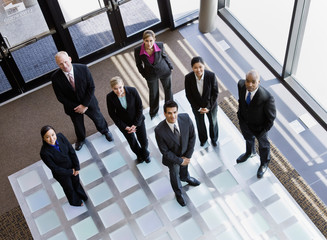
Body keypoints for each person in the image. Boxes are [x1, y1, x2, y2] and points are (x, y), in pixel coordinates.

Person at [51, 51, 113, 151]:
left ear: (70, 59)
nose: (65, 65)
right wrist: (77, 107)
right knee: (78, 125)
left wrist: (84, 105)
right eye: (61, 64)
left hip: (88, 102)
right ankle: (81, 139)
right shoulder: (55, 78)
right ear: (57, 64)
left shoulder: (83, 68)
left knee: (98, 118)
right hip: (73, 107)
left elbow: (91, 87)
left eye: (66, 62)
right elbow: (60, 97)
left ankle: (105, 131)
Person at [155, 100, 200, 206]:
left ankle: (186, 178)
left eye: (175, 112)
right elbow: (164, 151)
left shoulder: (185, 118)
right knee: (175, 175)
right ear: (165, 113)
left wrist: (187, 156)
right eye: (169, 113)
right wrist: (180, 161)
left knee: (185, 168)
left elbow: (192, 136)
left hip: (185, 154)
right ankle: (178, 193)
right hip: (173, 159)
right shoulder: (159, 130)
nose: (173, 116)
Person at [236, 70, 276, 178]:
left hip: (259, 127)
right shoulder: (241, 84)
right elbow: (241, 101)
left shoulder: (266, 97)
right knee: (248, 138)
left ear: (259, 82)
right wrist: (240, 116)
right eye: (247, 81)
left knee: (263, 146)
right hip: (245, 122)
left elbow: (271, 118)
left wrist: (263, 130)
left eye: (253, 82)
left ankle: (264, 164)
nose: (250, 84)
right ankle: (250, 152)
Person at [40, 125, 88, 206]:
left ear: (55, 133)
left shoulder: (61, 137)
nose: (52, 139)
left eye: (53, 135)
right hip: (61, 174)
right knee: (69, 187)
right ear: (43, 138)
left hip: (72, 167)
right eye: (47, 137)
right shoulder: (44, 153)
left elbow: (71, 151)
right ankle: (75, 201)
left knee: (76, 182)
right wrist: (70, 172)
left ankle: (82, 196)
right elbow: (55, 168)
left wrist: (76, 167)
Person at [106, 76, 150, 163]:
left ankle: (145, 154)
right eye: (115, 89)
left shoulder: (132, 91)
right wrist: (125, 127)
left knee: (143, 140)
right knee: (132, 142)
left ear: (123, 84)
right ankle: (139, 155)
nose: (118, 91)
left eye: (120, 87)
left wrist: (135, 124)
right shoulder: (110, 97)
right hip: (124, 124)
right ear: (112, 88)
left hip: (138, 121)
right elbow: (112, 114)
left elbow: (140, 108)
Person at [134, 29, 173, 119]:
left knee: (168, 90)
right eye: (146, 41)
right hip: (150, 75)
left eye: (151, 40)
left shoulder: (160, 45)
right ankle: (153, 112)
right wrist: (144, 75)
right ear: (143, 40)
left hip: (164, 71)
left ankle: (169, 109)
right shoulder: (138, 50)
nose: (149, 43)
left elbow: (165, 56)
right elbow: (138, 64)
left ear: (154, 39)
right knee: (153, 93)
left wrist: (170, 66)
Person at [185, 56, 219, 147]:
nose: (198, 70)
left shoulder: (211, 76)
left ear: (204, 66)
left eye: (200, 67)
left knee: (213, 122)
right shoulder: (188, 78)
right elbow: (189, 95)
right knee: (200, 123)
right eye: (195, 67)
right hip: (197, 106)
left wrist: (208, 107)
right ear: (192, 68)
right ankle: (203, 139)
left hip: (210, 105)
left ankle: (214, 139)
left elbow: (215, 93)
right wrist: (198, 108)